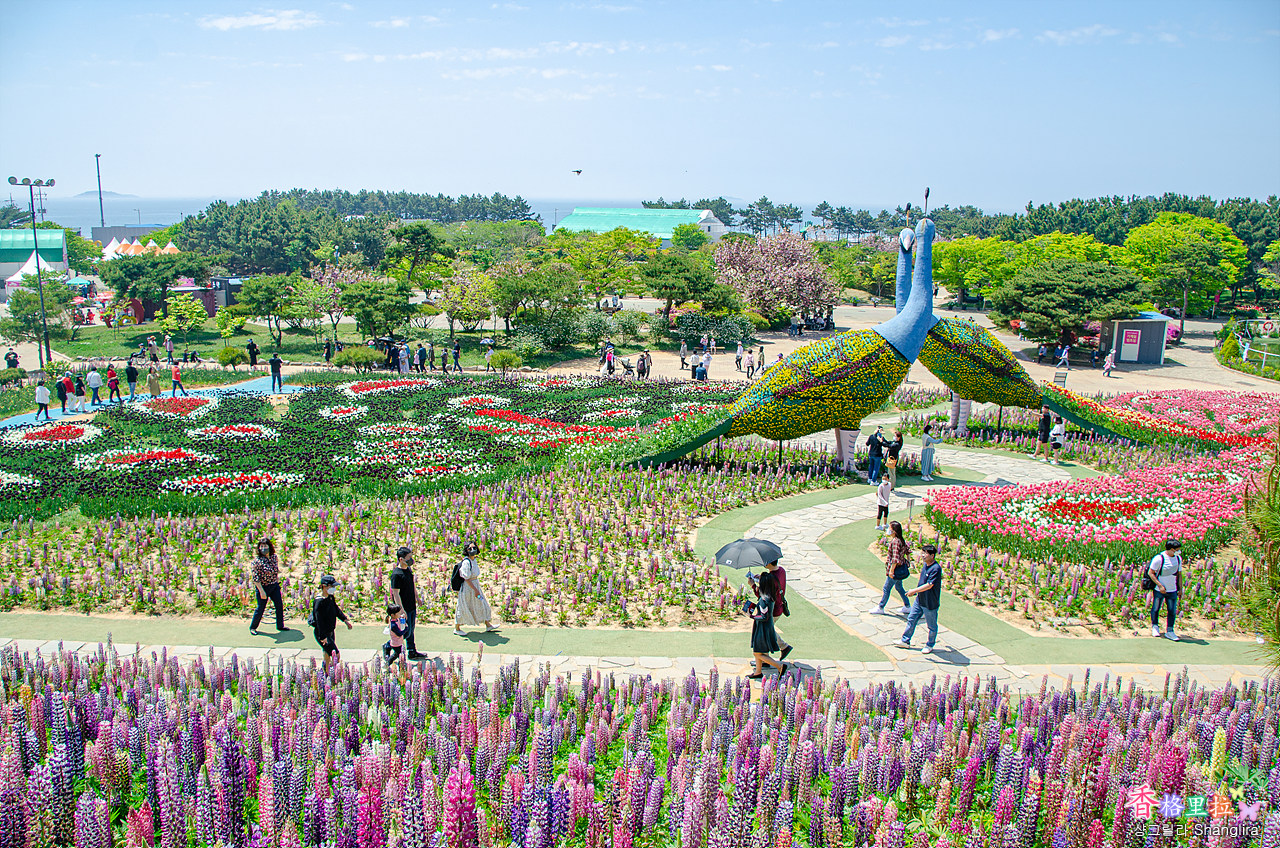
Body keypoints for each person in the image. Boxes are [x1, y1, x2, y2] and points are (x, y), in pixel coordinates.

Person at [894, 544, 942, 655]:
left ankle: (930, 644)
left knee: (931, 626)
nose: (923, 555)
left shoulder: (936, 568)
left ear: (932, 555)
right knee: (911, 619)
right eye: (922, 552)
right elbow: (922, 582)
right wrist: (916, 592)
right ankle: (905, 641)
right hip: (920, 599)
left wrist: (914, 590)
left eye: (925, 553)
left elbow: (929, 585)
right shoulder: (925, 565)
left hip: (930, 602)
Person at [745, 570, 787, 679]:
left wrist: (751, 616)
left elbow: (764, 617)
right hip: (766, 628)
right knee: (758, 651)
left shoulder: (764, 599)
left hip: (762, 630)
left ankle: (779, 666)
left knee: (757, 653)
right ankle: (758, 672)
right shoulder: (769, 596)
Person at [749, 560, 793, 661]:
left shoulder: (771, 579)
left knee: (767, 631)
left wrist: (753, 585)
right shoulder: (781, 570)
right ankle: (766, 658)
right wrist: (762, 579)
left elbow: (762, 596)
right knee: (767, 631)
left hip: (771, 610)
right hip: (779, 607)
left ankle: (783, 647)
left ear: (769, 563)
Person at [454, 542, 499, 636]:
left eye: (474, 548)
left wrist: (476, 589)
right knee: (464, 606)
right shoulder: (466, 562)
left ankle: (488, 624)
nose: (472, 550)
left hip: (475, 586)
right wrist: (475, 590)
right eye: (470, 549)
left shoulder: (474, 560)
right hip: (468, 588)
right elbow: (466, 578)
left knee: (482, 603)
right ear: (466, 550)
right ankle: (457, 628)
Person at [390, 546, 426, 661]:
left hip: (411, 606)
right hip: (403, 608)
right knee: (405, 631)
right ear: (401, 559)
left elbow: (412, 585)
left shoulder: (408, 570)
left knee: (411, 629)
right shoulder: (396, 574)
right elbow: (395, 593)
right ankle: (389, 645)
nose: (411, 560)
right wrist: (401, 610)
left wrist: (417, 597)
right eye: (409, 557)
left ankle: (412, 651)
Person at [310, 574, 351, 672]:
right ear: (324, 586)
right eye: (331, 586)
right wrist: (322, 637)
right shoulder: (319, 601)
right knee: (335, 654)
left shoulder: (330, 597)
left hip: (330, 630)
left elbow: (336, 609)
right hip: (322, 633)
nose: (333, 588)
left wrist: (345, 620)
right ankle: (335, 674)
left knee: (327, 653)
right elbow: (319, 620)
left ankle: (327, 672)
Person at [249, 538, 289, 635]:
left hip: (274, 585)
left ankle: (280, 625)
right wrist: (262, 591)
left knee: (279, 605)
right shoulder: (256, 561)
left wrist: (277, 583)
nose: (263, 548)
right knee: (260, 608)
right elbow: (255, 578)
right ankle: (253, 627)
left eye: (265, 546)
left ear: (269, 547)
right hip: (263, 587)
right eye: (261, 546)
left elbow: (275, 571)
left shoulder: (274, 557)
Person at [871, 521, 912, 615]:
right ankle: (907, 606)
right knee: (899, 587)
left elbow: (895, 558)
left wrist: (891, 571)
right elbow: (908, 551)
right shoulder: (901, 540)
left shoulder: (895, 542)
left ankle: (881, 607)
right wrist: (908, 561)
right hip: (900, 568)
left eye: (890, 528)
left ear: (894, 531)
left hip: (895, 570)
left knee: (886, 588)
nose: (888, 530)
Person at [1148, 539, 1183, 641]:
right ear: (1171, 549)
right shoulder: (1159, 558)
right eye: (1177, 549)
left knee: (1172, 610)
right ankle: (1155, 626)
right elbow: (1151, 573)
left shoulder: (1178, 559)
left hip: (1172, 589)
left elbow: (1179, 574)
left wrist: (1180, 588)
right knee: (1156, 608)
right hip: (1159, 590)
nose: (1178, 551)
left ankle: (1170, 631)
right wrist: (1160, 586)